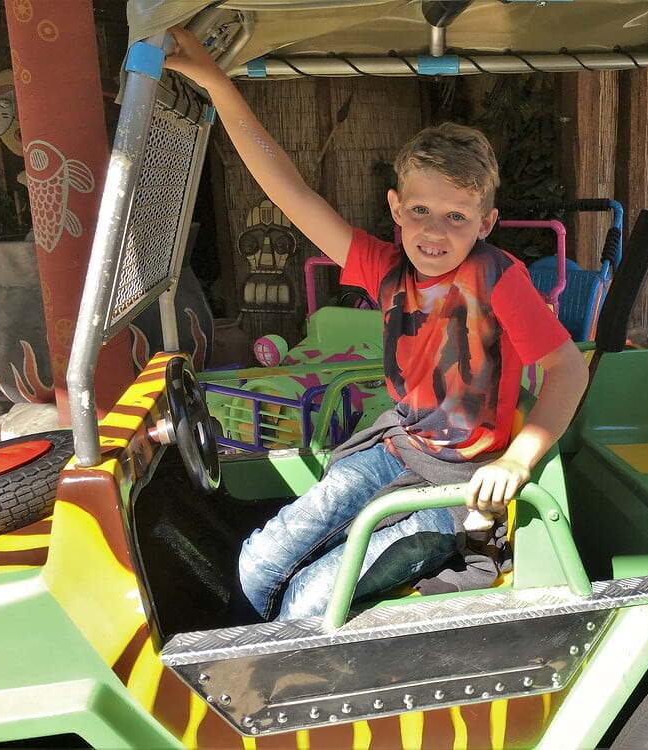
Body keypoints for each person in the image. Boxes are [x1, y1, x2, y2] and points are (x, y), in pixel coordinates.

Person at [165, 28, 589, 621]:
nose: (435, 232)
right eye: (420, 210)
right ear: (396, 208)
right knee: (257, 562)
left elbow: (567, 369)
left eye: (457, 216)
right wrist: (217, 85)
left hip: (460, 483)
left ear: (486, 223)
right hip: (396, 448)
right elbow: (289, 193)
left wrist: (515, 463)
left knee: (310, 602)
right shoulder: (383, 266)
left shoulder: (499, 279)